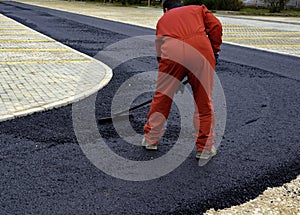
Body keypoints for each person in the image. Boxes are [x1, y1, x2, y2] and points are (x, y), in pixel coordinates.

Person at [141, 0, 222, 160]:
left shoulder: (163, 20)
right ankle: (204, 148)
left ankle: (151, 140)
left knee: (162, 98)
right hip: (200, 51)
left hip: (172, 52)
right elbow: (216, 27)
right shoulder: (198, 9)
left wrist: (170, 78)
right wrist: (214, 50)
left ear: (166, 9)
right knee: (203, 101)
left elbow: (160, 48)